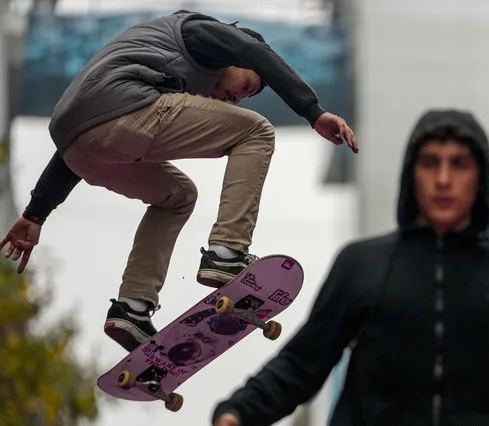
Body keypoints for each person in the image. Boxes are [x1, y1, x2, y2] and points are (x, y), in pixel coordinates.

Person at [210, 109, 489, 426]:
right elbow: (301, 364)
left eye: (459, 164)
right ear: (412, 174)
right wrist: (240, 412)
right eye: (431, 163)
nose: (443, 180)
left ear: (479, 177)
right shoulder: (361, 265)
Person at [0, 10, 358, 353]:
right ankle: (227, 253)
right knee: (256, 131)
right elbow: (253, 51)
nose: (235, 98)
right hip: (126, 112)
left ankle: (133, 309)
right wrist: (313, 112)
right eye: (245, 86)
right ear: (235, 55)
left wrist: (36, 213)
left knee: (179, 196)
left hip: (82, 145)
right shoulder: (198, 32)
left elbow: (83, 134)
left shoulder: (155, 61)